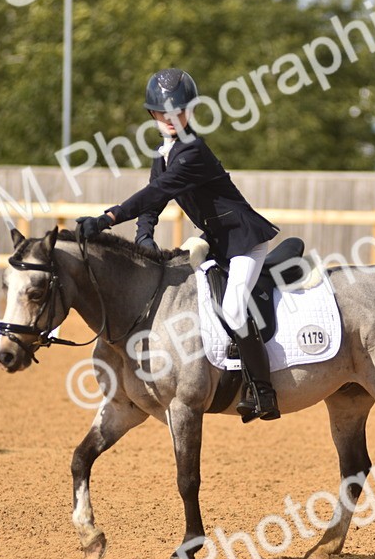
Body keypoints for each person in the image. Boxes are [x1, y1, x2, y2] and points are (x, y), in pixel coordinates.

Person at [75, 68, 280, 422]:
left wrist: (108, 219)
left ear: (190, 111)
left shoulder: (193, 152)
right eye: (163, 112)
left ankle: (262, 390)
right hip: (216, 241)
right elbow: (153, 204)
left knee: (232, 308)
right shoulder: (164, 153)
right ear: (153, 115)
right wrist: (144, 234)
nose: (172, 118)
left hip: (244, 241)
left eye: (179, 111)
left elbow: (157, 191)